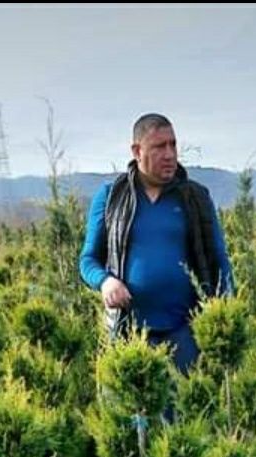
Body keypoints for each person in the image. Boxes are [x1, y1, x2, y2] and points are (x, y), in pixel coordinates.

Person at [79, 113, 234, 374]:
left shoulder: (195, 198)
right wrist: (106, 282)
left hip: (186, 332)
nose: (170, 154)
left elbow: (219, 260)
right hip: (129, 333)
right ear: (137, 151)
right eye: (159, 147)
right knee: (130, 410)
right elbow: (88, 260)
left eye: (173, 145)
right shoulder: (112, 198)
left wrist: (225, 316)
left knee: (185, 411)